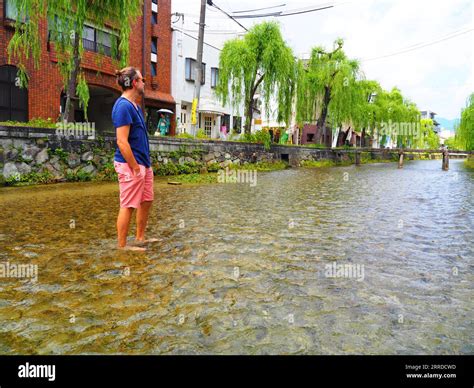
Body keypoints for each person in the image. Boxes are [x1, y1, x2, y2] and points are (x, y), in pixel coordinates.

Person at [112, 66, 158, 251]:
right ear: (134, 83)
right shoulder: (122, 106)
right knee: (128, 205)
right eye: (142, 79)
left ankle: (139, 238)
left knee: (146, 201)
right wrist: (135, 167)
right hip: (131, 165)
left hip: (143, 164)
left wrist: (144, 166)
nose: (144, 82)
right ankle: (122, 247)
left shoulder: (136, 106)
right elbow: (122, 142)